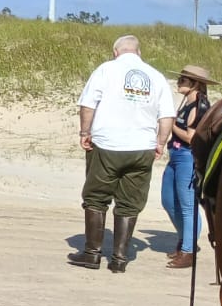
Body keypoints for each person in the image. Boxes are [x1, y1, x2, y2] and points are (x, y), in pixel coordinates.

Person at [68, 34, 175, 273]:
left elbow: (88, 104)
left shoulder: (106, 70)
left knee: (96, 197)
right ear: (138, 52)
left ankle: (92, 253)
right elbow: (167, 115)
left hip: (108, 144)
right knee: (129, 203)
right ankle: (119, 258)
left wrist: (85, 132)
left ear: (116, 52)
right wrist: (160, 141)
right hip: (141, 147)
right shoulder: (156, 76)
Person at [162, 65, 215, 269]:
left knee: (186, 205)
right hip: (175, 155)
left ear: (195, 84)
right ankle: (186, 241)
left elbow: (191, 138)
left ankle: (188, 250)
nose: (179, 82)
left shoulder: (200, 107)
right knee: (168, 200)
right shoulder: (188, 103)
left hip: (186, 157)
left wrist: (172, 124)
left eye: (183, 79)